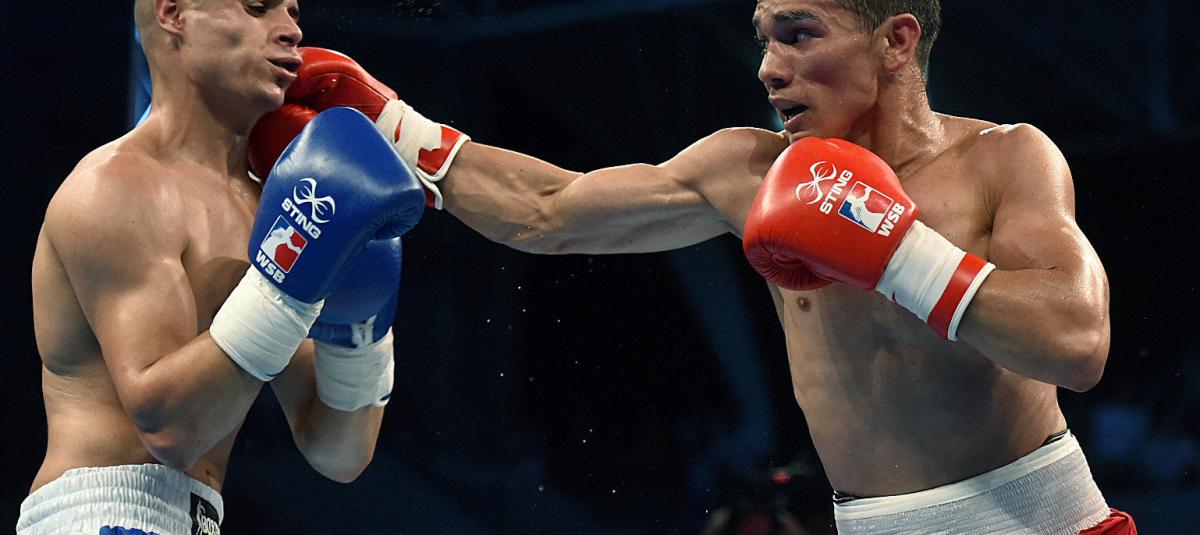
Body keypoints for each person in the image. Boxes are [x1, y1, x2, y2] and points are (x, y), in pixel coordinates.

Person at [251, 1, 1137, 532]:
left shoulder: (1004, 159)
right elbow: (547, 211)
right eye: (763, 38)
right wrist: (393, 123)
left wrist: (896, 248)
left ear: (896, 41)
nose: (769, 67)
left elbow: (1077, 341)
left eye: (798, 34)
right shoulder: (746, 170)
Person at [21, 0, 425, 533]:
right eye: (258, 7)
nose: (291, 30)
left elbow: (339, 455)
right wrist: (289, 289)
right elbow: (170, 431)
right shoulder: (116, 188)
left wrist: (362, 339)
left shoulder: (278, 211)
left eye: (293, 12)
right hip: (103, 512)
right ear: (174, 14)